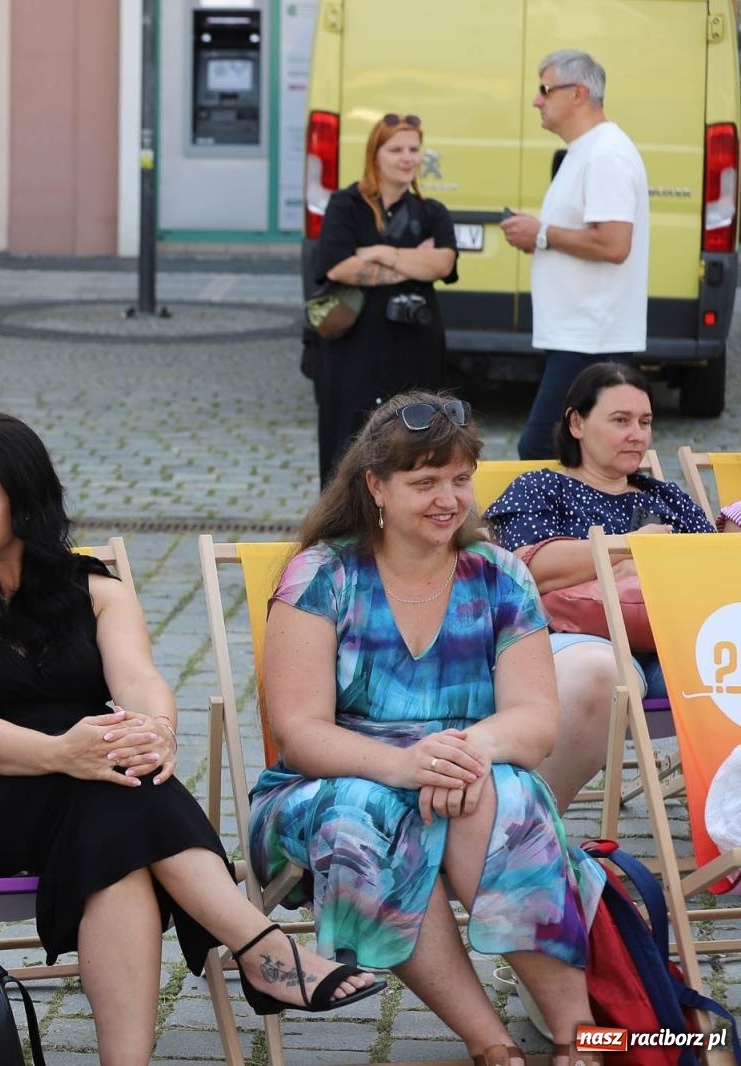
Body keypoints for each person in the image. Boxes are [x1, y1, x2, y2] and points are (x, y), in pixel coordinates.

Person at [0, 412, 380, 1065]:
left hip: (94, 796)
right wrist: (64, 753)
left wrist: (158, 730)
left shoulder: (94, 588)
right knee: (118, 788)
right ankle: (262, 948)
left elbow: (141, 681)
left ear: (26, 504)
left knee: (116, 830)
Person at [250, 392, 606, 1066]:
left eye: (460, 479)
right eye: (425, 482)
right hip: (334, 780)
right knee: (367, 813)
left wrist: (466, 752)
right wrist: (406, 766)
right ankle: (490, 1043)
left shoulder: (499, 576)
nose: (448, 499)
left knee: (507, 795)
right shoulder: (323, 575)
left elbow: (535, 720)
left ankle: (579, 1036)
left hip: (459, 767)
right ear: (375, 486)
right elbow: (300, 733)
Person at [485, 363, 712, 808]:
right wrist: (628, 550)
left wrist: (637, 567)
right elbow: (527, 568)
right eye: (621, 420)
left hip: (672, 648)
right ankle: (527, 822)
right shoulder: (541, 488)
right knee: (603, 670)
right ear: (577, 423)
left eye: (645, 422)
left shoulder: (666, 497)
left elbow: (710, 569)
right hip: (575, 643)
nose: (637, 435)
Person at [500, 50, 648, 460]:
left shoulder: (605, 154)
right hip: (579, 332)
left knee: (542, 447)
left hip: (592, 336)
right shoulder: (586, 151)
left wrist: (541, 234)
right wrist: (540, 237)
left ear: (579, 93)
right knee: (577, 453)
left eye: (545, 89)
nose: (537, 100)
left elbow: (614, 244)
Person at [312, 112, 457, 483]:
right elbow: (337, 268)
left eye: (413, 149)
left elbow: (443, 263)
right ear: (374, 154)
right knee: (346, 448)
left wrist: (380, 253)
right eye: (396, 150)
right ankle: (343, 518)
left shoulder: (431, 212)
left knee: (415, 445)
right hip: (354, 345)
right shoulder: (346, 205)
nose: (407, 158)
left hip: (415, 346)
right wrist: (414, 262)